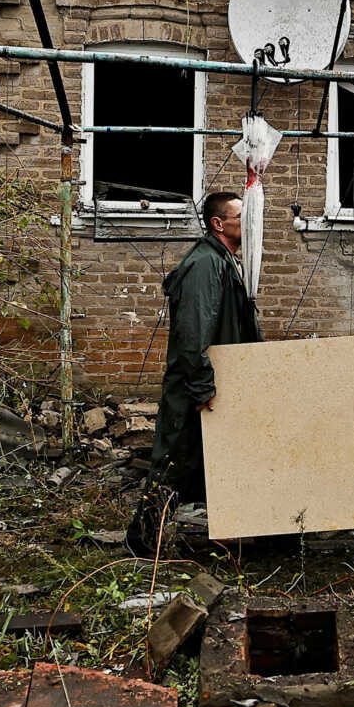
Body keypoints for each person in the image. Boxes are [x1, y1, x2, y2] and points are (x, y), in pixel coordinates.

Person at [130, 190, 261, 556]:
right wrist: (203, 385)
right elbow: (193, 331)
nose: (247, 224)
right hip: (193, 387)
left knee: (206, 461)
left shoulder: (225, 261)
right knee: (175, 462)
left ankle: (225, 532)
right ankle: (142, 540)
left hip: (213, 382)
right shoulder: (205, 264)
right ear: (219, 224)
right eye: (240, 217)